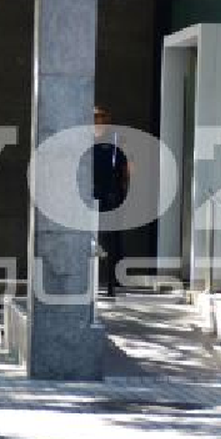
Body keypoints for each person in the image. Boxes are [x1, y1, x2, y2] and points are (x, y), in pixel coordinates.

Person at [92, 105, 131, 297]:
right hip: (89, 195)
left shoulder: (117, 141)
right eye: (96, 117)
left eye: (102, 117)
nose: (99, 121)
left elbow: (127, 169)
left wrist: (121, 192)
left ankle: (112, 280)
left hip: (111, 195)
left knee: (111, 239)